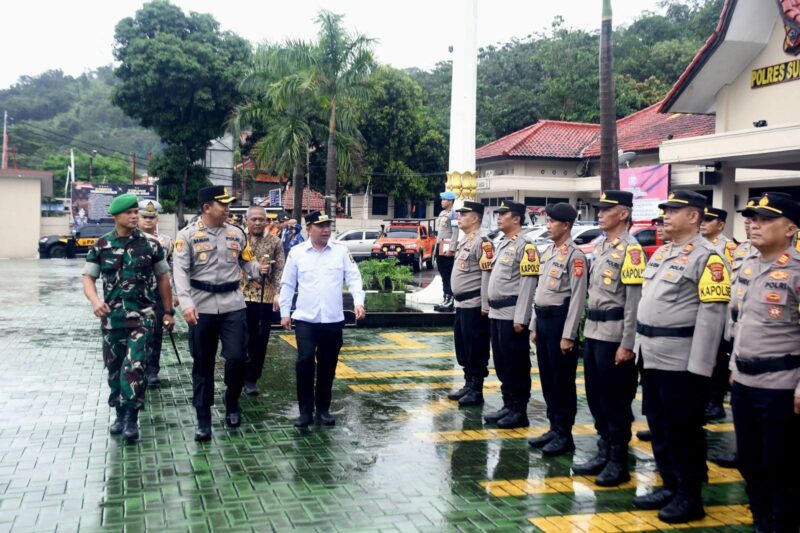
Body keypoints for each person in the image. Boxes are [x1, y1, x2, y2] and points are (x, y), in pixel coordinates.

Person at [632, 190, 730, 523]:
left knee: (683, 429)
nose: (666, 216)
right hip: (651, 354)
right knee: (659, 425)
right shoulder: (663, 252)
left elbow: (712, 316)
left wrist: (700, 368)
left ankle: (690, 495)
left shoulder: (708, 258)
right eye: (666, 210)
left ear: (693, 216)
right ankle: (670, 483)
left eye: (674, 210)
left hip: (682, 360)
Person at [729, 193, 800, 533]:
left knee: (780, 465)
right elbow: (740, 322)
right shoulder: (748, 265)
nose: (754, 225)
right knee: (749, 459)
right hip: (744, 383)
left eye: (766, 219)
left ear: (790, 229)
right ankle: (761, 518)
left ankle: (783, 523)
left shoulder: (797, 272)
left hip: (780, 387)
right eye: (753, 218)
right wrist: (733, 366)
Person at [173, 186, 267, 441]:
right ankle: (203, 416)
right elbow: (180, 272)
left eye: (228, 204)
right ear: (206, 207)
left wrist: (259, 269)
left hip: (232, 305)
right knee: (203, 363)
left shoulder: (237, 233)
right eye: (222, 204)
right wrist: (186, 303)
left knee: (237, 357)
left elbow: (247, 262)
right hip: (201, 306)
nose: (227, 208)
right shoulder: (187, 235)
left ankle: (232, 400)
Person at [82, 193, 174, 444]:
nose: (134, 216)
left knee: (135, 366)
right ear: (116, 216)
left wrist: (168, 311)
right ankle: (119, 413)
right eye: (129, 213)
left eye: (136, 212)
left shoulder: (151, 245)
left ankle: (132, 417)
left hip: (142, 318)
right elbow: (88, 277)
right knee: (114, 369)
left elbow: (163, 278)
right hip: (112, 319)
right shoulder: (101, 245)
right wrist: (95, 301)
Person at [572, 191, 643, 485]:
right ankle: (603, 450)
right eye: (599, 209)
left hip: (615, 335)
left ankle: (618, 460)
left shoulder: (631, 250)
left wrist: (628, 343)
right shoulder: (602, 245)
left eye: (606, 209)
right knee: (596, 397)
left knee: (616, 401)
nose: (600, 214)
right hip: (594, 332)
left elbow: (634, 302)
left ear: (623, 214)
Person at [279, 210, 366, 428]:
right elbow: (288, 283)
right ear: (309, 228)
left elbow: (354, 277)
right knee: (305, 360)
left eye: (328, 225)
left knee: (328, 365)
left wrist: (358, 301)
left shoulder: (341, 251)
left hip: (332, 319)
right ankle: (305, 411)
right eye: (321, 226)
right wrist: (284, 312)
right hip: (305, 319)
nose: (326, 230)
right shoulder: (297, 253)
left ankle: (323, 409)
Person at [527, 203, 588, 455]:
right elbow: (539, 290)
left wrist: (569, 335)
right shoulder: (549, 252)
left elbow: (578, 299)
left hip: (560, 322)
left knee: (562, 381)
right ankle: (554, 427)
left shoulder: (576, 256)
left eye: (552, 222)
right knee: (548, 379)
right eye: (548, 220)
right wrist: (534, 324)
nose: (548, 225)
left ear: (566, 225)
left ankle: (565, 434)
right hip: (543, 321)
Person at [484, 201, 539, 429]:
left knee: (516, 363)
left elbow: (528, 283)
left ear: (516, 218)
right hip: (497, 313)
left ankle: (519, 410)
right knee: (502, 362)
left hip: (512, 313)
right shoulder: (504, 242)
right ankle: (508, 404)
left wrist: (522, 317)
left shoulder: (526, 245)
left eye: (503, 214)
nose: (499, 217)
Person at [445, 201, 493, 407]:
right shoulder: (466, 240)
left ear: (474, 218)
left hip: (475, 304)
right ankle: (467, 383)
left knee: (476, 348)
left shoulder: (483, 242)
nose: (460, 217)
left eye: (464, 215)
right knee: (463, 347)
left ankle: (476, 389)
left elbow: (487, 274)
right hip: (462, 304)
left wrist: (485, 304)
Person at [241, 206, 284, 396]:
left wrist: (278, 293)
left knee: (259, 340)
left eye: (261, 219)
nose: (258, 223)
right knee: (239, 339)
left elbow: (280, 269)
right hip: (238, 296)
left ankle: (251, 378)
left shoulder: (275, 241)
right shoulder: (238, 238)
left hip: (264, 297)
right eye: (254, 219)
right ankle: (237, 375)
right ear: (246, 220)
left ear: (267, 221)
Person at [137, 199, 175, 387]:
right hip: (137, 294)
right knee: (137, 332)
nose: (148, 221)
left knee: (156, 332)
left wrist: (174, 295)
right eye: (144, 217)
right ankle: (137, 368)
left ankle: (152, 370)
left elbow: (171, 269)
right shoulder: (131, 239)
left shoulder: (166, 241)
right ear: (138, 217)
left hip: (158, 294)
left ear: (157, 219)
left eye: (152, 217)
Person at [434, 191, 458, 311]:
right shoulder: (442, 213)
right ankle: (445, 297)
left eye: (444, 199)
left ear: (450, 201)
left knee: (448, 274)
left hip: (447, 248)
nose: (442, 202)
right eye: (442, 199)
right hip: (440, 246)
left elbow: (455, 232)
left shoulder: (454, 214)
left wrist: (452, 249)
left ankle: (450, 299)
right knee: (443, 274)